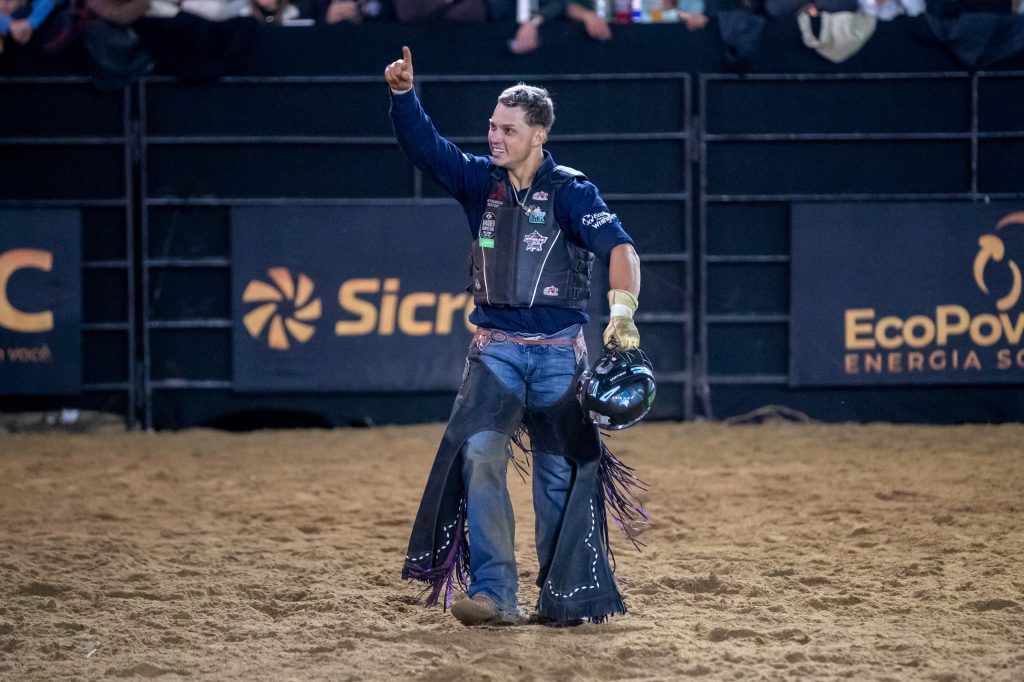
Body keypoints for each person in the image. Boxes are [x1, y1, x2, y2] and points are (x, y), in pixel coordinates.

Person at [387, 46, 647, 627]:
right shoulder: (479, 180)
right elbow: (426, 148)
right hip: (496, 353)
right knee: (480, 455)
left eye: (507, 129)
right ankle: (494, 594)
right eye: (491, 126)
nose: (494, 137)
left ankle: (562, 601)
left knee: (558, 478)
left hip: (559, 358)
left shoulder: (572, 191)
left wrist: (622, 312)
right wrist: (404, 96)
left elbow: (621, 250)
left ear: (538, 135)